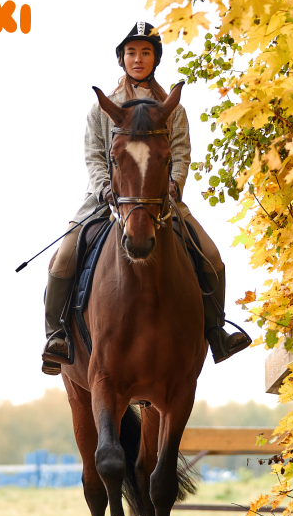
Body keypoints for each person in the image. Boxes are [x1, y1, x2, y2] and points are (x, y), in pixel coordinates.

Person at [40, 22, 250, 376]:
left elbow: (181, 152)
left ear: (156, 59)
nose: (138, 59)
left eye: (146, 52)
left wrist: (173, 186)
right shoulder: (101, 108)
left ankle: (217, 334)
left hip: (160, 201)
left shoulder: (172, 109)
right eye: (132, 52)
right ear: (121, 59)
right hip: (105, 201)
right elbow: (94, 155)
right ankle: (56, 337)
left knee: (213, 258)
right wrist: (105, 188)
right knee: (62, 260)